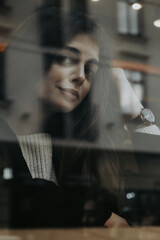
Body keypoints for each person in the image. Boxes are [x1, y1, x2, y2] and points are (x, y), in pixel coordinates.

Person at [0, 8, 134, 227]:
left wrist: (139, 116)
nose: (80, 76)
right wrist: (96, 215)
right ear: (33, 57)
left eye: (90, 70)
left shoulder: (76, 145)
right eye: (66, 58)